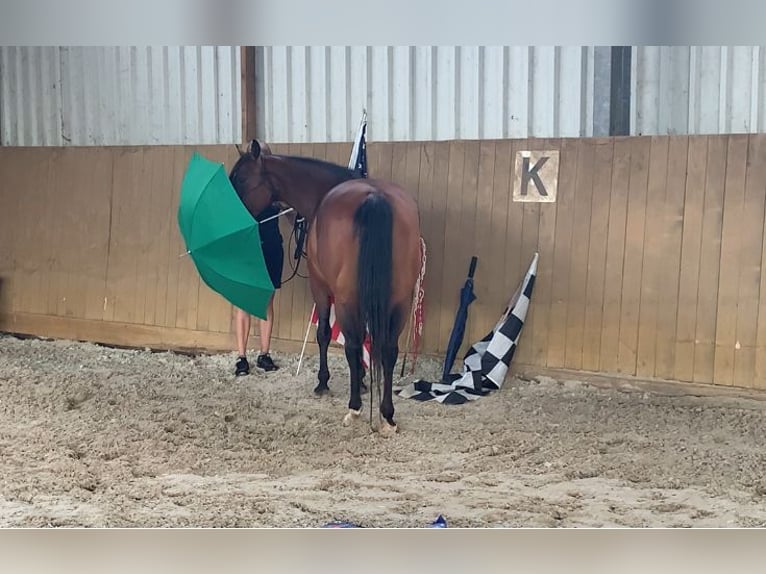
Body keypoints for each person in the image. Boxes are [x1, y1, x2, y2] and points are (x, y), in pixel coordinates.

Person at [234, 202, 284, 375]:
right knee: (243, 302)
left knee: (267, 302)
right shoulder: (244, 191)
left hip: (271, 247)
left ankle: (264, 354)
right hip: (248, 248)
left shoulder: (277, 190)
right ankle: (241, 357)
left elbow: (292, 217)